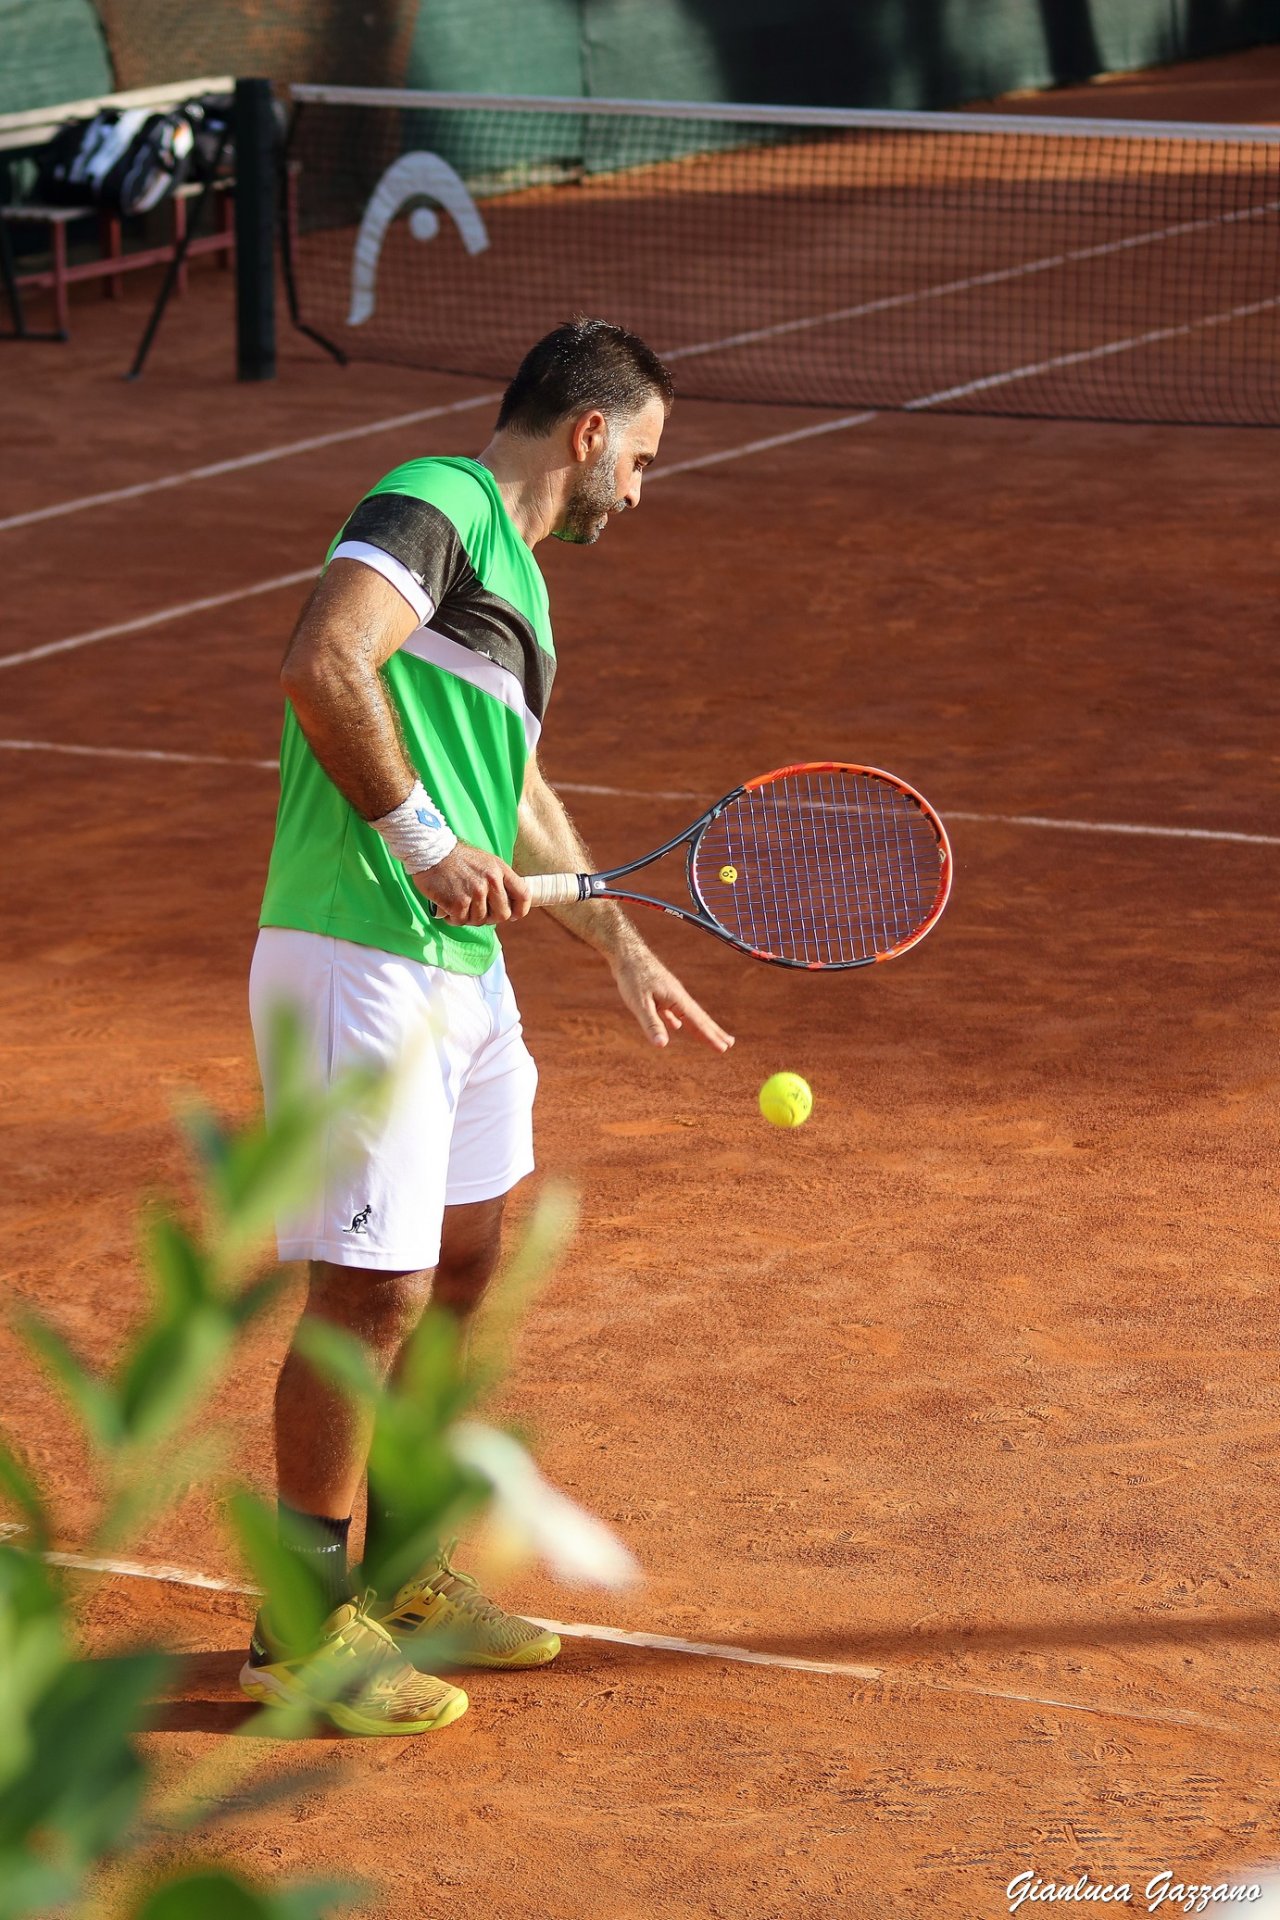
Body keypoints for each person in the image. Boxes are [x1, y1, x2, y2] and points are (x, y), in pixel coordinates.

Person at [242, 317, 734, 1735]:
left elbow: (508, 790)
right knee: (371, 1290)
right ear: (588, 434)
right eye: (640, 461)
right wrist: (411, 834)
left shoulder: (513, 581)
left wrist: (619, 941)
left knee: (466, 1261)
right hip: (359, 950)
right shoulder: (442, 502)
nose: (639, 492)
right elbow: (323, 658)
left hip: (461, 972)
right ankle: (295, 1625)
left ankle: (399, 1569)